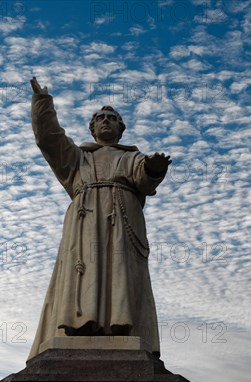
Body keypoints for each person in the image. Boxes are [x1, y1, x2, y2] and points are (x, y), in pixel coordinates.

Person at [28, 77, 171, 360]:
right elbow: (48, 138)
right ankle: (80, 325)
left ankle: (120, 326)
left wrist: (154, 169)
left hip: (122, 220)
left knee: (120, 270)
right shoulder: (77, 158)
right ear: (92, 129)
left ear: (121, 128)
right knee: (84, 269)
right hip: (84, 223)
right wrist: (43, 103)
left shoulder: (132, 157)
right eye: (100, 118)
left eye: (112, 118)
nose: (106, 121)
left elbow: (144, 180)